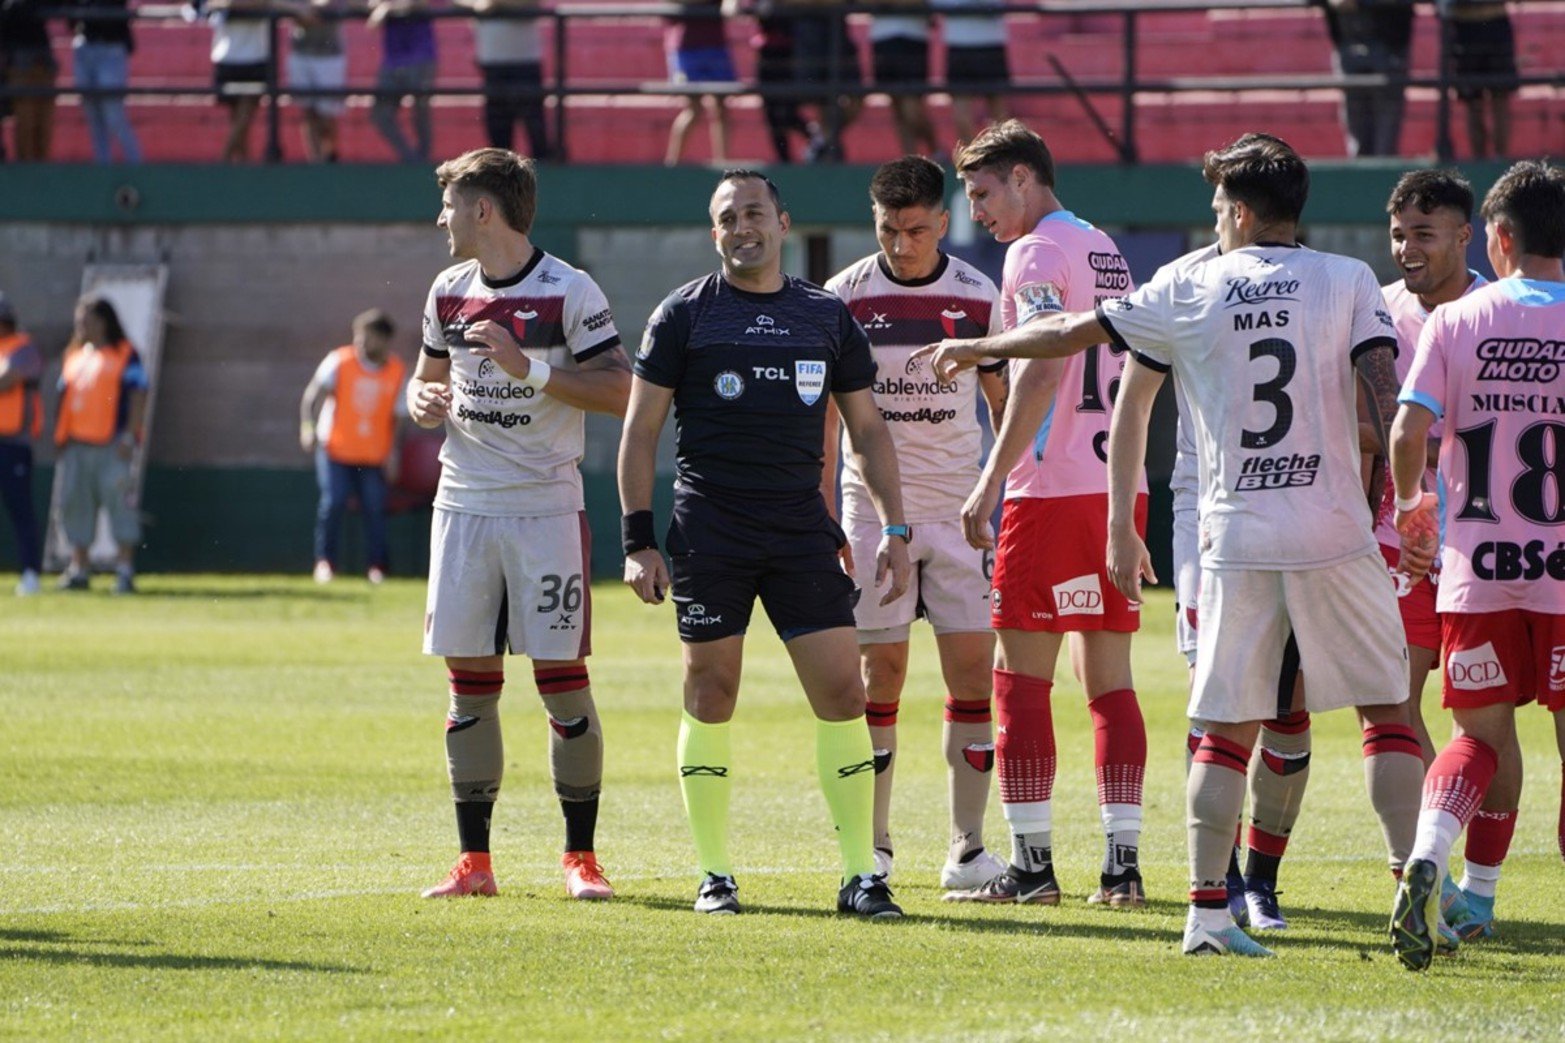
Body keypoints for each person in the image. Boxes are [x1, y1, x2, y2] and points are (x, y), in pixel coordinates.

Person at [918, 132, 1431, 958]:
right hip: (1334, 528)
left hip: (1232, 531)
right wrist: (1401, 500)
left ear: (1232, 210)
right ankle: (1412, 878)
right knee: (1385, 714)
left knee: (1224, 725)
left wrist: (982, 346)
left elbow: (1070, 334)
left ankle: (1205, 912)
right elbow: (1383, 396)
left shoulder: (1191, 282)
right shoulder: (1349, 280)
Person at [619, 169, 912, 918]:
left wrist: (894, 525)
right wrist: (637, 540)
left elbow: (868, 429)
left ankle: (860, 876)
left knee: (845, 693)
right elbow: (639, 429)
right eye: (726, 218)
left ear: (782, 221)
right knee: (710, 693)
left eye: (753, 212)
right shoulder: (683, 314)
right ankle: (713, 873)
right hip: (710, 530)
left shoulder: (823, 315)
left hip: (799, 534)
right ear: (713, 232)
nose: (741, 227)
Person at [931, 120, 1150, 911]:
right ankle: (1121, 868)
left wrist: (989, 480)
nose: (978, 212)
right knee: (1109, 683)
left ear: (1023, 177)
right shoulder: (1105, 247)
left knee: (1017, 679)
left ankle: (1031, 867)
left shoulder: (1034, 253)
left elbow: (1042, 368)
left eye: (984, 193)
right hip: (1114, 488)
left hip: (1049, 489)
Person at [406, 147, 631, 901]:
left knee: (563, 688)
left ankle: (580, 857)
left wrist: (528, 369)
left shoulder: (568, 289)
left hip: (543, 510)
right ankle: (473, 863)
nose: (440, 218)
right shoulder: (446, 290)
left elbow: (620, 390)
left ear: (482, 210)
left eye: (449, 205)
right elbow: (425, 377)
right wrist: (421, 402)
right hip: (463, 506)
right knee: (469, 690)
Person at [1389, 160, 1565, 970]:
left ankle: (1432, 853)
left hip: (1477, 568)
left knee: (1475, 738)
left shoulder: (1455, 321)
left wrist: (1410, 504)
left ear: (1497, 239)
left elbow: (1406, 430)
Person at [822, 156, 1008, 889]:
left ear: (942, 221)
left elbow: (1003, 399)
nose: (900, 245)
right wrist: (824, 509)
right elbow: (829, 420)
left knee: (971, 674)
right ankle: (874, 846)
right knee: (880, 672)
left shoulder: (975, 294)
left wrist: (1002, 490)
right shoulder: (843, 297)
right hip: (871, 514)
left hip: (958, 511)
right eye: (887, 230)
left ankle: (965, 849)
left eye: (915, 230)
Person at [1172, 391, 1314, 933]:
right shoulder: (1178, 301)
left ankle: (1261, 882)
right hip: (1205, 505)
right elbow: (1133, 392)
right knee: (1212, 696)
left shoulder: (1332, 301)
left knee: (1289, 703)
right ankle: (1220, 879)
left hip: (1299, 500)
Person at [300, 308, 407, 584]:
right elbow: (311, 397)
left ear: (384, 340)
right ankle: (325, 563)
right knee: (333, 503)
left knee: (375, 509)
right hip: (335, 449)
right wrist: (308, 428)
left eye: (367, 337)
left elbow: (400, 417)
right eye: (358, 336)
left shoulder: (397, 371)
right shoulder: (339, 361)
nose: (360, 343)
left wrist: (393, 454)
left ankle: (377, 567)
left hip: (373, 455)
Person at [54, 295, 148, 595]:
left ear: (104, 322)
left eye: (88, 320)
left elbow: (139, 393)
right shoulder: (75, 354)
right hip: (77, 445)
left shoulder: (125, 353)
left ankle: (124, 571)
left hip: (112, 445)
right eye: (79, 320)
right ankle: (79, 568)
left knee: (119, 505)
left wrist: (130, 436)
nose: (81, 326)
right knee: (74, 505)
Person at [1316, 0, 1414, 157]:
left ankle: (1383, 175)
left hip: (1390, 41)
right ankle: (1360, 173)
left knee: (1385, 143)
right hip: (1347, 42)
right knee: (1357, 135)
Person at [460, 0, 552, 161]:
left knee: (535, 131)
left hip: (525, 64)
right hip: (493, 65)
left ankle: (543, 173)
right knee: (498, 138)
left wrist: (491, 4)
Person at [0, 293, 43, 595]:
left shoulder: (23, 348)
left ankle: (30, 573)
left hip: (13, 442)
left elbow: (6, 379)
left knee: (20, 510)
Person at [68, 0, 142, 165]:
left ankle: (136, 168)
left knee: (113, 115)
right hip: (85, 45)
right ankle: (102, 169)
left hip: (112, 46)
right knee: (94, 116)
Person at [1441, 0, 1517, 159]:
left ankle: (1500, 162)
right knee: (1472, 101)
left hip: (1496, 21)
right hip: (1464, 26)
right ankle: (1479, 160)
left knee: (1500, 97)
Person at [663, 1, 734, 167]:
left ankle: (722, 165)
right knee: (693, 108)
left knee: (721, 106)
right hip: (686, 47)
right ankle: (672, 164)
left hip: (716, 44)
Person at [205, 0, 274, 163]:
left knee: (244, 117)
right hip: (228, 56)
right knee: (238, 119)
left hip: (256, 56)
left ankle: (224, 161)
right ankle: (243, 166)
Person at [369, 0, 437, 164]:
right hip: (393, 60)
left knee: (420, 111)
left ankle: (422, 160)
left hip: (421, 57)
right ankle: (413, 160)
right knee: (380, 114)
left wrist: (388, 8)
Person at [936, 0, 1010, 145]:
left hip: (991, 44)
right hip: (960, 46)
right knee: (962, 116)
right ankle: (973, 163)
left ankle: (1002, 161)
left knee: (999, 115)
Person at [869, 3, 937, 158]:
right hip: (882, 39)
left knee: (912, 109)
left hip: (913, 38)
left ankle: (936, 150)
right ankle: (910, 162)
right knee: (898, 107)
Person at [287, 0, 347, 163]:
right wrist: (299, 9)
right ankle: (315, 160)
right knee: (308, 111)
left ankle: (330, 155)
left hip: (329, 55)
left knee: (327, 113)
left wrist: (312, 8)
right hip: (301, 53)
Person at [0, 0, 58, 161]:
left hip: (41, 56)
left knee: (43, 122)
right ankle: (26, 171)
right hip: (18, 58)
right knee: (26, 122)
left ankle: (40, 170)